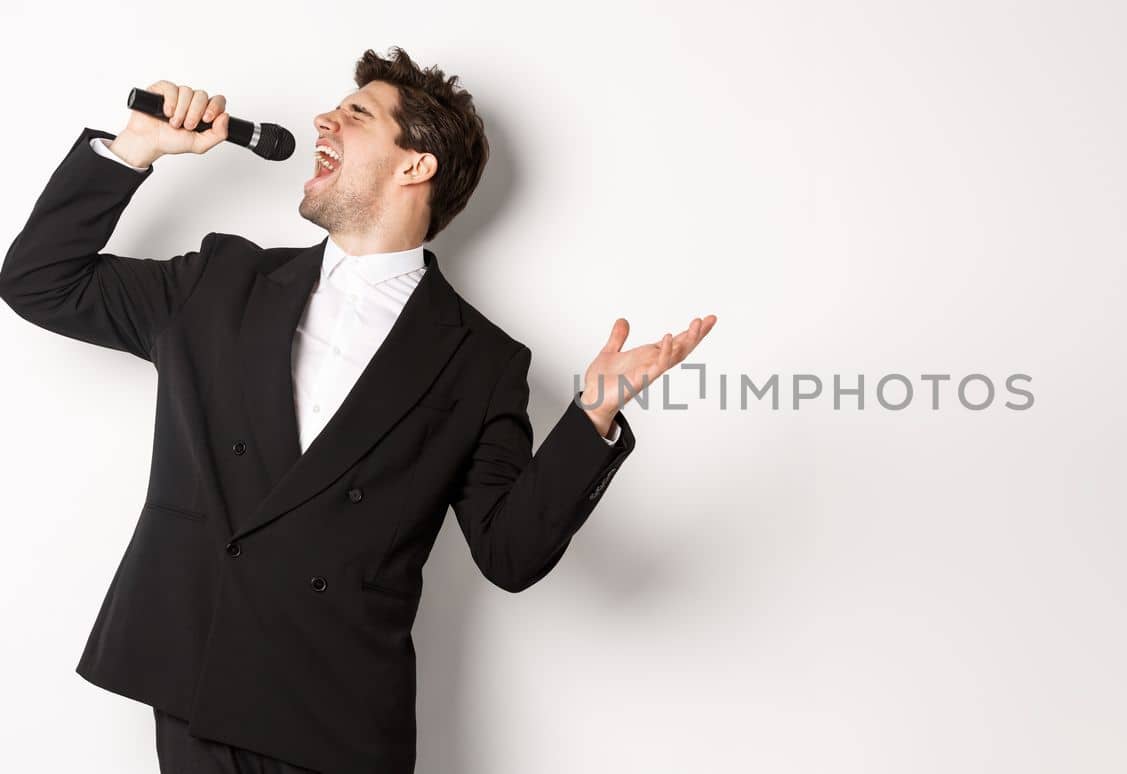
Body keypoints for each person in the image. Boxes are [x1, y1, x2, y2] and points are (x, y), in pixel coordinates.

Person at [0, 46, 715, 773]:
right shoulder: (220, 281)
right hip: (196, 677)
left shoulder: (481, 361)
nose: (323, 119)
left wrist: (593, 415)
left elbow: (510, 554)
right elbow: (39, 281)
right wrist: (136, 148)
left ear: (416, 165)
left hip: (336, 718)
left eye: (356, 113)